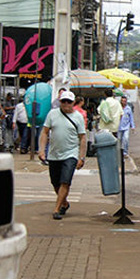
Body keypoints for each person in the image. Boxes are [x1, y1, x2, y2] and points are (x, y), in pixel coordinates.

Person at [38, 90, 86, 220]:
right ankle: (64, 203)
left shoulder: (78, 117)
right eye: (63, 101)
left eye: (68, 102)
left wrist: (81, 157)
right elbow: (45, 132)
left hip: (71, 153)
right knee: (55, 182)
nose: (66, 104)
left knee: (65, 181)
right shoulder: (52, 114)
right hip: (54, 154)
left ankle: (56, 209)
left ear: (73, 103)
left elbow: (82, 138)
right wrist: (42, 150)